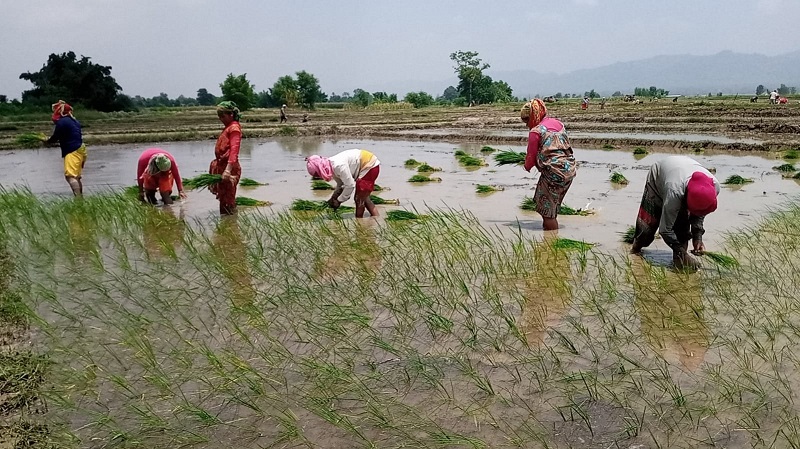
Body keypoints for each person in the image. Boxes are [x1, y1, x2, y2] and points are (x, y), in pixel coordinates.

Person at [630, 155, 720, 270]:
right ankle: (635, 250)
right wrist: (679, 250)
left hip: (680, 172)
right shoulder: (674, 192)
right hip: (659, 176)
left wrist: (697, 237)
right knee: (648, 224)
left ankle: (679, 263)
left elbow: (700, 213)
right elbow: (665, 230)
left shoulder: (714, 186)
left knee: (682, 228)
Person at [520, 98, 577, 230]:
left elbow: (530, 157)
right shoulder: (559, 124)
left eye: (527, 120)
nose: (527, 125)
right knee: (553, 207)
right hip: (569, 171)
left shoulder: (536, 131)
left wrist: (527, 166)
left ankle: (551, 242)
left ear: (534, 116)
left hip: (553, 173)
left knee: (548, 214)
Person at [306, 149, 381, 218]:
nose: (320, 177)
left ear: (320, 169)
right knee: (364, 197)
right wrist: (333, 197)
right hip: (367, 164)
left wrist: (339, 201)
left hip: (370, 166)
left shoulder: (338, 166)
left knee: (359, 199)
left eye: (318, 174)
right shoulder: (330, 166)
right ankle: (376, 218)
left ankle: (359, 222)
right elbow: (341, 184)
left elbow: (350, 185)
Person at [45, 100, 87, 196]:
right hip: (81, 149)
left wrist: (47, 141)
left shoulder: (62, 122)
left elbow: (55, 137)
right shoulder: (74, 121)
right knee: (76, 177)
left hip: (72, 150)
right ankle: (80, 197)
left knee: (70, 176)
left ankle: (78, 199)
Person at [210, 101, 242, 215]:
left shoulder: (234, 128)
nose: (221, 119)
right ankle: (228, 223)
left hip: (230, 168)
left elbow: (234, 150)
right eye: (219, 116)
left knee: (227, 200)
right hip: (222, 168)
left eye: (223, 116)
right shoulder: (227, 127)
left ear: (231, 114)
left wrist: (228, 170)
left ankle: (231, 226)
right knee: (224, 200)